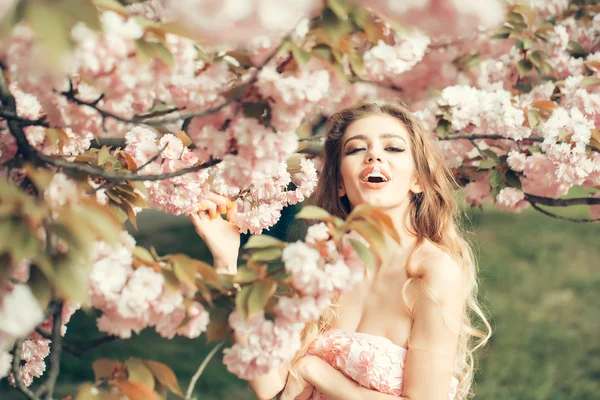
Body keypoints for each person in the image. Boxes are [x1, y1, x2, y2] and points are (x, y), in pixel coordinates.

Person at [191, 102, 491, 400]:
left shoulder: (434, 271)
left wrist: (314, 370)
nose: (373, 155)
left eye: (393, 148)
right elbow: (270, 387)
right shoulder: (325, 262)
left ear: (418, 180)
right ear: (339, 185)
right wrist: (226, 261)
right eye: (356, 149)